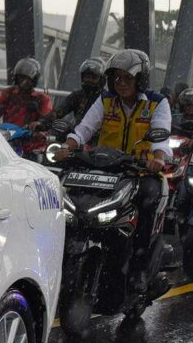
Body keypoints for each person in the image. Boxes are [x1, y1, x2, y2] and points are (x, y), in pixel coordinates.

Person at [55, 48, 176, 272]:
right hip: (104, 170)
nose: (121, 83)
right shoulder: (106, 100)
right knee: (71, 200)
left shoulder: (157, 103)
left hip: (140, 172)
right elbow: (84, 129)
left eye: (127, 78)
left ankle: (138, 269)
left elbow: (161, 137)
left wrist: (157, 159)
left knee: (148, 200)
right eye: (116, 78)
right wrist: (66, 147)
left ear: (141, 79)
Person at [0, 57, 54, 129]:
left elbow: (47, 119)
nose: (24, 82)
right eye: (21, 78)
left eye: (27, 79)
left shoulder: (42, 99)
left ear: (34, 80)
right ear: (16, 78)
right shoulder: (9, 93)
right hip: (8, 135)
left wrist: (39, 123)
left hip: (31, 137)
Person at [56, 59, 104, 129]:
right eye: (87, 77)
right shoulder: (77, 95)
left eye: (94, 77)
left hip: (97, 137)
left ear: (101, 80)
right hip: (77, 135)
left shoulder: (105, 99)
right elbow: (59, 111)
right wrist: (42, 122)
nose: (89, 80)